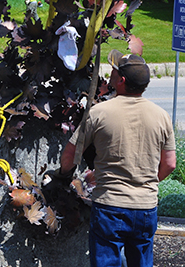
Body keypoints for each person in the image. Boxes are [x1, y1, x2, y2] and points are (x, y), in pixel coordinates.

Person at [57, 50, 176, 267]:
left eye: (114, 71)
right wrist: (148, 183)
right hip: (145, 207)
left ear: (121, 80)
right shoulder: (162, 116)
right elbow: (170, 164)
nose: (110, 73)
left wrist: (63, 177)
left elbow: (70, 155)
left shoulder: (99, 113)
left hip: (109, 206)